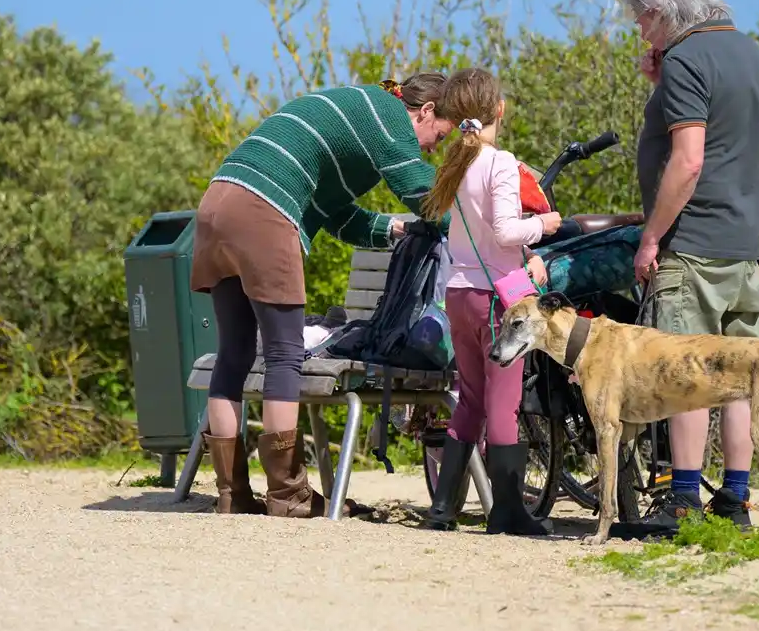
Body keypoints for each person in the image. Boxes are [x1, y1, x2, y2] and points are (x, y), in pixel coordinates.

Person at [190, 73, 455, 518]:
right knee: (284, 354)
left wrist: (392, 228)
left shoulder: (360, 110)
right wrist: (481, 229)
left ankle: (231, 494)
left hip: (218, 202)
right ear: (426, 111)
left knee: (234, 354)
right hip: (263, 210)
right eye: (439, 137)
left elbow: (334, 215)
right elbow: (425, 193)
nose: (432, 149)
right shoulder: (389, 116)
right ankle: (288, 495)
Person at [624, 0, 759, 530]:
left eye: (642, 18)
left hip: (694, 243)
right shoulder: (749, 51)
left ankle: (683, 500)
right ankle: (735, 502)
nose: (640, 30)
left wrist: (651, 237)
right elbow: (727, 127)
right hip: (743, 245)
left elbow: (688, 162)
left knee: (685, 373)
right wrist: (662, 84)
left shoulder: (688, 58)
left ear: (661, 10)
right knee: (738, 379)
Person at [418, 68, 562, 536]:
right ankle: (507, 511)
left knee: (471, 401)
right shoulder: (499, 162)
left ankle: (443, 508)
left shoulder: (455, 164)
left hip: (459, 293)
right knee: (503, 404)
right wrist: (544, 226)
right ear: (499, 109)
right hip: (498, 300)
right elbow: (504, 231)